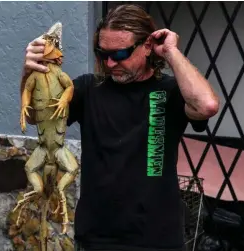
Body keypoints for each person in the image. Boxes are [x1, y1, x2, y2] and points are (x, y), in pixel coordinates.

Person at [19, 4, 219, 251]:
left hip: (157, 239)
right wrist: (29, 74)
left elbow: (207, 105)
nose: (110, 63)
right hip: (98, 238)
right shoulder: (88, 90)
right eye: (102, 54)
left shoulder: (169, 92)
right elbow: (35, 119)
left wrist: (170, 52)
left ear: (147, 46)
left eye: (120, 54)